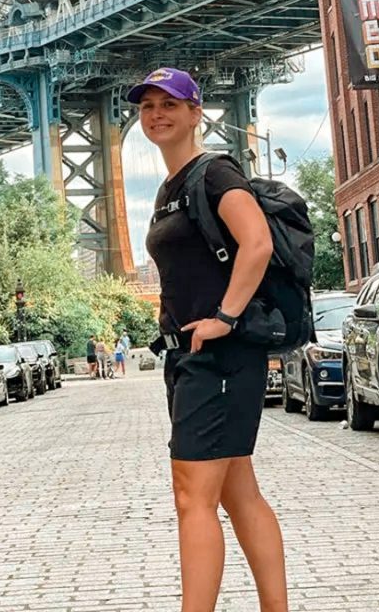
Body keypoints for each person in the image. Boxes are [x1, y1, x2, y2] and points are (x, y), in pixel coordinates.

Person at [128, 67, 287, 612]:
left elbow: (257, 243)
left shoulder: (214, 172)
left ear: (197, 112)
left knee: (191, 497)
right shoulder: (170, 189)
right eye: (147, 107)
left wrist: (224, 316)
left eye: (169, 104)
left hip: (219, 356)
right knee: (238, 493)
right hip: (193, 360)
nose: (157, 115)